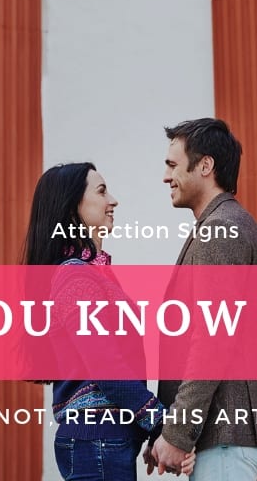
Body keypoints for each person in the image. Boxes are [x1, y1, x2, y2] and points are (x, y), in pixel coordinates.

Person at [21, 162, 196, 480]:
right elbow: (106, 364)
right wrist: (160, 422)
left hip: (103, 440)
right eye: (101, 191)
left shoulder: (92, 274)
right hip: (96, 441)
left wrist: (151, 432)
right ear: (72, 208)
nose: (113, 200)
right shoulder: (75, 275)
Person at [145, 119, 257, 479]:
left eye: (172, 165)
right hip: (222, 433)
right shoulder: (220, 224)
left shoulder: (220, 228)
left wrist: (176, 433)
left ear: (205, 166)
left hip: (226, 432)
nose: (165, 176)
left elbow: (213, 338)